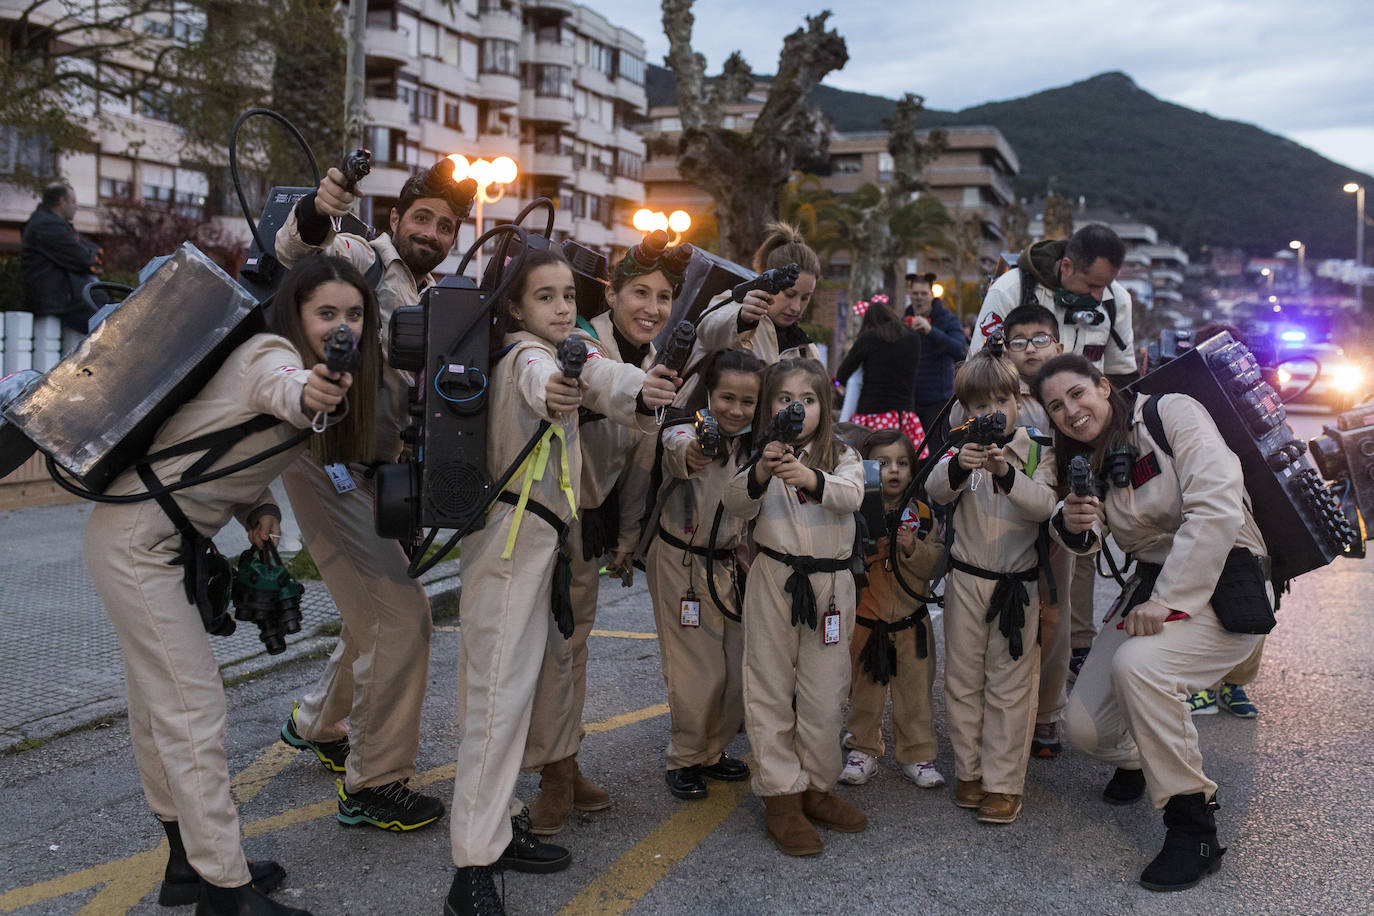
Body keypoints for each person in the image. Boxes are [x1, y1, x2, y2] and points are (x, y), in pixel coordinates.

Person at [83, 253, 374, 916]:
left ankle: (188, 862)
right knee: (192, 710)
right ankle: (225, 890)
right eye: (327, 312)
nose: (344, 326)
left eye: (354, 314)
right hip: (139, 547)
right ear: (296, 314)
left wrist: (260, 511)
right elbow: (281, 390)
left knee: (160, 710)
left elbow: (224, 443)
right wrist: (309, 391)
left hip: (147, 539)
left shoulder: (279, 363)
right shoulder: (269, 357)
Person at [444, 250, 677, 916]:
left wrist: (640, 390)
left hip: (538, 541)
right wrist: (563, 392)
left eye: (568, 295)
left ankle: (497, 827)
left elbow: (601, 372)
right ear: (514, 309)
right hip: (511, 544)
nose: (562, 307)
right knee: (496, 701)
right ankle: (472, 869)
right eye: (544, 297)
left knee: (506, 698)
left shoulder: (565, 346)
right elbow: (546, 382)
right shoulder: (526, 357)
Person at [273, 159, 476, 829]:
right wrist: (318, 208)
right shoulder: (361, 255)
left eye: (447, 226)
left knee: (372, 611)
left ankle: (318, 723)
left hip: (379, 472)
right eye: (422, 218)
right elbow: (300, 252)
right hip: (329, 460)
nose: (433, 232)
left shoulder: (433, 291)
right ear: (395, 219)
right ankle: (375, 782)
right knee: (403, 616)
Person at [1037, 353, 1268, 892]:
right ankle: (1147, 755)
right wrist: (1070, 522)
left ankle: (1195, 829)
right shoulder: (1086, 458)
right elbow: (1087, 539)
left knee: (1141, 665)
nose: (1070, 411)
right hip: (1153, 585)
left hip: (1226, 574)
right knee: (1085, 730)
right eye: (1055, 406)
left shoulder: (1172, 413)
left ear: (1104, 385)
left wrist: (1169, 601)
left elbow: (1216, 505)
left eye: (1077, 394)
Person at [521, 232, 690, 834]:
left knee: (572, 649)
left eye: (665, 296)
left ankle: (562, 764)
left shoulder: (646, 360)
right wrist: (641, 392)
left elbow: (639, 460)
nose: (652, 306)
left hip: (587, 527)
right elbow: (599, 378)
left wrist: (628, 536)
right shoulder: (580, 341)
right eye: (639, 292)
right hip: (537, 520)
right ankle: (546, 774)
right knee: (541, 654)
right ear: (611, 294)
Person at [722, 358, 867, 857]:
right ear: (769, 407)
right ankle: (782, 796)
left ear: (824, 407)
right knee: (768, 687)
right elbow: (736, 504)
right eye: (785, 399)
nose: (796, 409)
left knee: (826, 695)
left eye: (807, 400)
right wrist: (764, 468)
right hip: (775, 578)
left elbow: (851, 495)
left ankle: (817, 786)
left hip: (830, 585)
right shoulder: (759, 454)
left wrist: (806, 474)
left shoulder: (842, 453)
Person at [926, 350, 1057, 825]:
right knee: (962, 681)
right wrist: (962, 465)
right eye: (979, 405)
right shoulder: (958, 449)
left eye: (1002, 399)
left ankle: (1003, 783)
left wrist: (1006, 472)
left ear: (1019, 400)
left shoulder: (1039, 450)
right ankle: (970, 771)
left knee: (1011, 687)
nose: (991, 413)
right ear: (964, 409)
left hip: (1017, 586)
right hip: (965, 578)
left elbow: (1045, 506)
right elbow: (936, 490)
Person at [645, 348, 765, 800]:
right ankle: (685, 755)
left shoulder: (758, 445)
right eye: (726, 397)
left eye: (747, 401)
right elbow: (680, 451)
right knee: (695, 670)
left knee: (736, 667)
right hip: (683, 564)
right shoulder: (685, 428)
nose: (735, 409)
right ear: (708, 394)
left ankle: (712, 751)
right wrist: (698, 448)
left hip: (730, 567)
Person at [839, 429, 945, 790]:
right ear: (866, 469)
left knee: (915, 694)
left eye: (902, 463)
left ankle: (917, 753)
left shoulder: (924, 514)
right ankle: (862, 748)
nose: (894, 471)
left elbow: (935, 564)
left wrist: (912, 549)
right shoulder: (855, 512)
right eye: (882, 464)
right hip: (867, 622)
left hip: (911, 624)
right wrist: (869, 550)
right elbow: (845, 561)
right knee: (864, 692)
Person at [998, 305, 1072, 758]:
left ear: (1059, 346)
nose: (1030, 348)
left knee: (1055, 620)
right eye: (1019, 340)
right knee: (1007, 620)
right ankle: (1006, 712)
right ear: (1005, 348)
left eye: (1040, 338)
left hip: (1058, 529)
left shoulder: (1069, 393)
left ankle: (1046, 714)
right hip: (1004, 525)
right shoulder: (998, 392)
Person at [675, 222, 822, 407]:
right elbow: (709, 329)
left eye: (805, 298)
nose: (796, 307)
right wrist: (741, 319)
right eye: (790, 294)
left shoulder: (806, 350)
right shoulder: (731, 303)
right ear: (770, 279)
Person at [971, 224, 1137, 386]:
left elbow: (1121, 378)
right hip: (1020, 408)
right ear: (1066, 267)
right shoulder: (1011, 289)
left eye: (1106, 284)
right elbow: (977, 371)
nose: (1099, 295)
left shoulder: (1117, 299)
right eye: (1092, 285)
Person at [835, 299, 926, 455]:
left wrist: (839, 384)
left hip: (872, 414)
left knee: (871, 464)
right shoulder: (914, 338)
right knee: (903, 464)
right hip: (904, 416)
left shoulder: (867, 339)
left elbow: (842, 374)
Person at [20, 182, 103, 333]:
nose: (76, 206)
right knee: (113, 322)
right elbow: (84, 259)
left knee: (115, 313)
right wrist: (90, 258)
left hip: (68, 301)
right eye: (73, 202)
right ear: (61, 201)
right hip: (62, 304)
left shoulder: (56, 225)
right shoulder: (47, 226)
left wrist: (91, 256)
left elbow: (94, 251)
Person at [903, 272, 967, 457]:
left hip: (938, 402)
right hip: (910, 403)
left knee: (936, 454)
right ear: (909, 294)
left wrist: (931, 331)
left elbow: (960, 351)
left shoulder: (947, 319)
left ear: (932, 295)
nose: (919, 298)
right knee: (910, 454)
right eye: (915, 293)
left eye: (923, 293)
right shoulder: (903, 321)